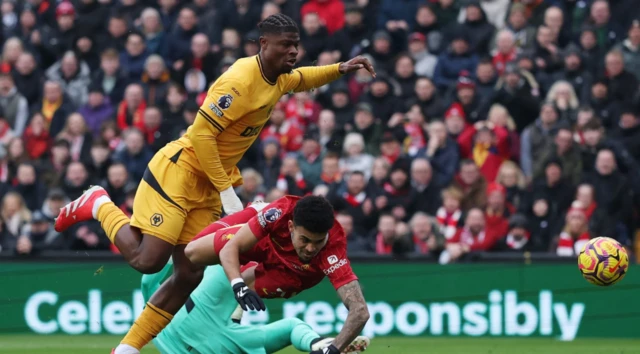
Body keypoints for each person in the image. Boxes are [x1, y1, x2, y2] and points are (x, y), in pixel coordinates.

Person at [53, 13, 375, 354]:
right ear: (264, 45)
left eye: (296, 45)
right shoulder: (238, 81)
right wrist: (226, 189)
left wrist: (340, 68)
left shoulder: (278, 77)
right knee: (149, 260)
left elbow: (303, 79)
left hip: (207, 183)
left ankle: (127, 349)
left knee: (189, 273)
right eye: (286, 45)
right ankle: (99, 203)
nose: (293, 52)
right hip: (182, 170)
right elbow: (202, 135)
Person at [185, 195, 371, 354]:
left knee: (245, 285)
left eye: (318, 242)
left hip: (295, 272)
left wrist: (334, 350)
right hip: (266, 240)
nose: (310, 248)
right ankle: (250, 225)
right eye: (305, 240)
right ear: (291, 227)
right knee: (193, 252)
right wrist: (237, 285)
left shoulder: (333, 251)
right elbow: (229, 249)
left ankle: (230, 316)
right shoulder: (278, 213)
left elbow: (360, 311)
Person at [138, 260, 369, 354]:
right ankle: (318, 343)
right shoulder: (218, 267)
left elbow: (148, 279)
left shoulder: (156, 302)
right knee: (292, 327)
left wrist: (175, 252)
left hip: (174, 336)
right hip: (219, 338)